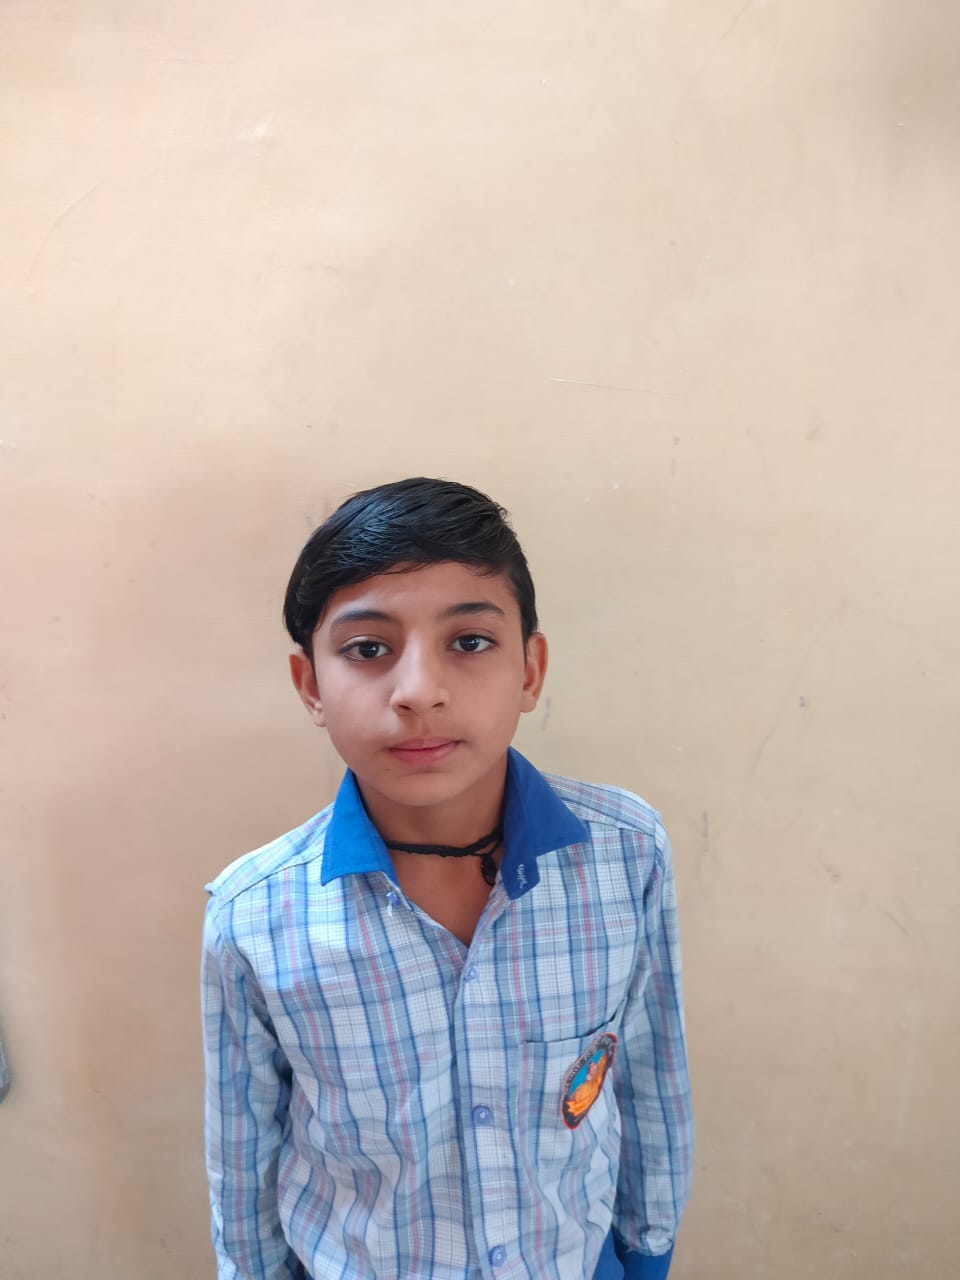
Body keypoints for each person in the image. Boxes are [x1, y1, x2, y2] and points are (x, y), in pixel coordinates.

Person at [201, 477, 693, 1280]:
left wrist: (647, 1258)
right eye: (368, 649)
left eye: (468, 641)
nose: (419, 691)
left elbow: (650, 1076)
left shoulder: (624, 855)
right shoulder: (253, 918)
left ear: (530, 670)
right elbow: (242, 1161)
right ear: (311, 686)